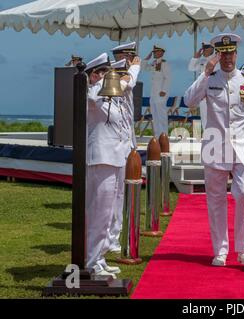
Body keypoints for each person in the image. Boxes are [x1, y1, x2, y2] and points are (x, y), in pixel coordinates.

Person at [184, 33, 244, 266]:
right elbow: (189, 101)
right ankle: (220, 251)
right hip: (215, 149)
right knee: (215, 200)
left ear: (236, 53)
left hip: (242, 148)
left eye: (231, 53)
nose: (227, 58)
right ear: (218, 55)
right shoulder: (210, 79)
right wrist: (204, 73)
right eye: (223, 54)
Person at [85, 52, 130, 278]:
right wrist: (105, 81)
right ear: (94, 75)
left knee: (107, 212)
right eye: (104, 72)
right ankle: (91, 262)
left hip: (115, 159)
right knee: (98, 212)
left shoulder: (113, 99)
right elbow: (92, 98)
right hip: (101, 159)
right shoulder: (93, 94)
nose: (109, 77)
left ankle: (99, 258)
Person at [107, 43, 142, 253]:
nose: (130, 60)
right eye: (127, 56)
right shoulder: (113, 73)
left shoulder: (124, 72)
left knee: (122, 192)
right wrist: (134, 68)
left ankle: (116, 235)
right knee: (113, 192)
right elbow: (128, 84)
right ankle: (109, 237)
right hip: (113, 143)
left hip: (127, 138)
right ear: (119, 56)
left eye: (132, 57)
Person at [143, 45, 171, 138]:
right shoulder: (154, 63)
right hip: (153, 94)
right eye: (153, 52)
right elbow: (143, 68)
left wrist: (164, 90)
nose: (154, 53)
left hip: (161, 94)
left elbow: (168, 78)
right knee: (155, 116)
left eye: (156, 52)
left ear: (161, 52)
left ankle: (164, 136)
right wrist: (147, 58)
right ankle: (157, 135)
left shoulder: (164, 64)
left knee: (162, 116)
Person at [187, 43, 217, 129]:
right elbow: (191, 68)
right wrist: (195, 57)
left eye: (205, 49)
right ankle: (207, 136)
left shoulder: (217, 60)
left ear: (211, 49)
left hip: (214, 92)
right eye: (203, 49)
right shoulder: (202, 61)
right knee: (204, 115)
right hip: (202, 92)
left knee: (214, 115)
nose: (203, 51)